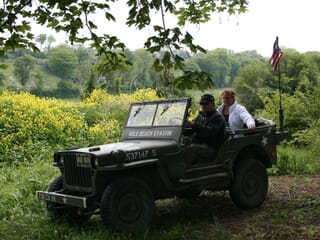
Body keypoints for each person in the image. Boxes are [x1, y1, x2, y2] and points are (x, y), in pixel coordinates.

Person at [184, 93, 226, 166]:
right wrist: (184, 126)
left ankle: (185, 171)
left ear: (212, 103)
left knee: (191, 149)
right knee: (181, 144)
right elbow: (193, 128)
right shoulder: (201, 115)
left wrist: (194, 125)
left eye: (206, 103)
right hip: (200, 144)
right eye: (202, 103)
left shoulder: (218, 117)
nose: (203, 106)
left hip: (212, 148)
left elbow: (209, 131)